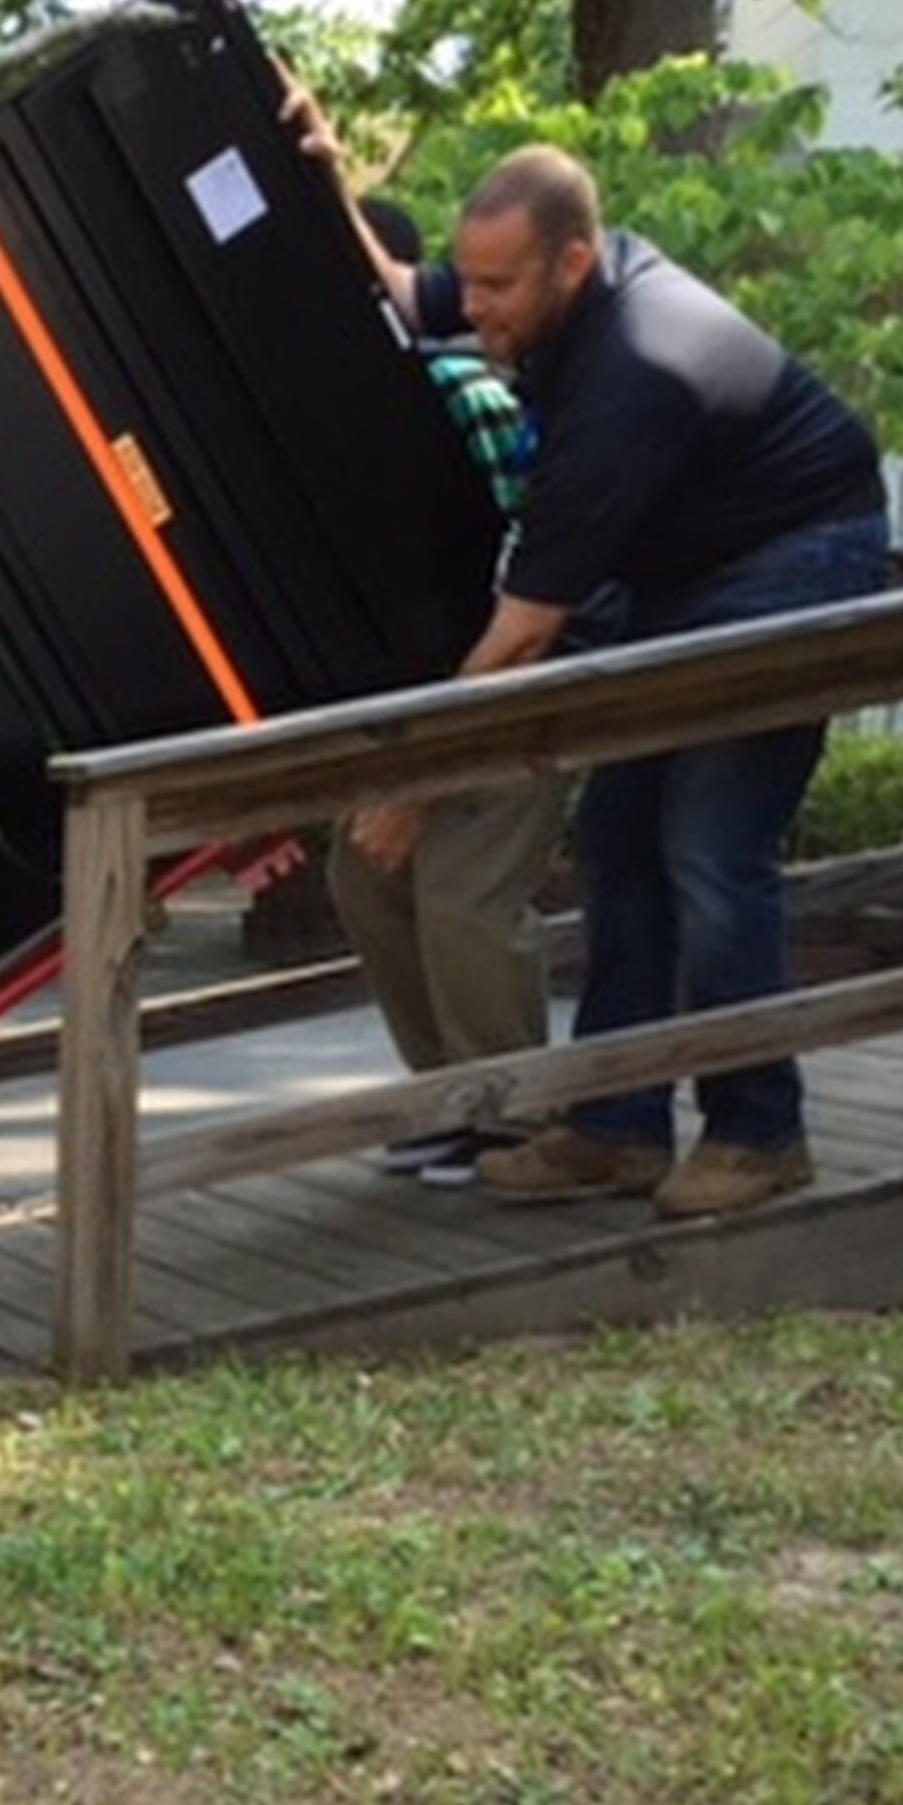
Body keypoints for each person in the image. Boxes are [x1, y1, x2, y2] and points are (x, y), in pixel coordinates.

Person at [299, 121, 892, 1220]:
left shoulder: (637, 370)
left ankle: (762, 1131)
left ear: (574, 260)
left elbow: (524, 630)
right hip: (684, 580)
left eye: (497, 287)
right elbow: (396, 285)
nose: (474, 311)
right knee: (621, 841)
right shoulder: (541, 300)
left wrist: (417, 781)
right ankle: (616, 1125)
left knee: (709, 847)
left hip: (796, 562)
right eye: (469, 281)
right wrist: (326, 171)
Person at [329, 197, 557, 1191]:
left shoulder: (465, 387)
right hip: (412, 689)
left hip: (509, 676)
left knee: (468, 894)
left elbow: (535, 532)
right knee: (363, 876)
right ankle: (452, 1097)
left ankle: (516, 1118)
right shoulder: (334, 400)